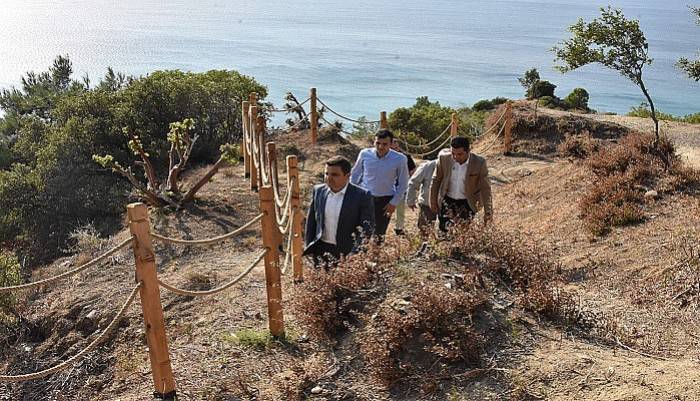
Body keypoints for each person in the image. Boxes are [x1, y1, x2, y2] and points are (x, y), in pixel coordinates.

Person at [304, 156, 375, 268]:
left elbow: (366, 227)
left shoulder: (361, 196)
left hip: (347, 252)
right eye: (327, 174)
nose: (329, 178)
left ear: (347, 176)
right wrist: (309, 246)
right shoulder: (318, 191)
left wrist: (356, 252)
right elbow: (311, 221)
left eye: (335, 175)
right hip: (321, 249)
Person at [350, 129, 409, 240]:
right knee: (360, 231)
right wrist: (352, 195)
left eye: (385, 144)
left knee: (379, 233)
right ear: (374, 142)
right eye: (378, 143)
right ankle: (359, 255)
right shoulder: (364, 154)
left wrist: (394, 203)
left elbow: (403, 183)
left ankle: (376, 255)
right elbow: (355, 175)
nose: (381, 147)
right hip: (365, 197)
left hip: (385, 201)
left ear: (391, 144)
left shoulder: (400, 159)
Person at [429, 136, 493, 232]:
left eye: (459, 154)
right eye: (453, 153)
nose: (455, 157)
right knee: (444, 232)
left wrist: (488, 211)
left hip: (467, 202)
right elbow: (436, 180)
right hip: (447, 200)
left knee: (462, 234)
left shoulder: (479, 163)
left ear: (468, 151)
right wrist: (433, 201)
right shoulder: (444, 159)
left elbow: (486, 188)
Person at [390, 138, 416, 236]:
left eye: (396, 147)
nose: (395, 149)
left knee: (400, 210)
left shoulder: (405, 157)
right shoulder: (385, 157)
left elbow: (412, 170)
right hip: (387, 187)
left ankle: (399, 228)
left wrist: (408, 182)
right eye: (393, 147)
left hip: (400, 187)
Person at [406, 158, 438, 237]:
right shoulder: (428, 166)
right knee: (425, 229)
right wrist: (410, 200)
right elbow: (413, 183)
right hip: (427, 204)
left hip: (446, 204)